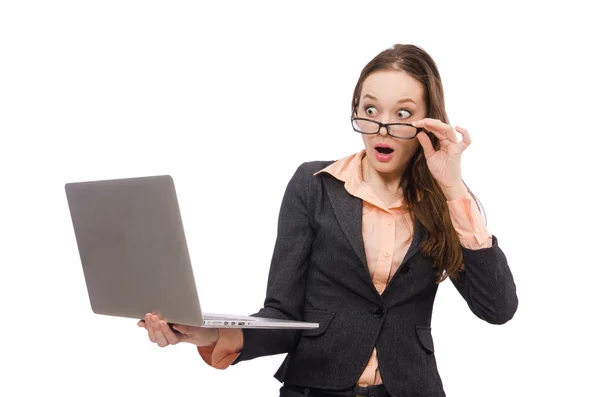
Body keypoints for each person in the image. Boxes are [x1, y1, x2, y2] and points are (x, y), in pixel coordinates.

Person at [137, 44, 518, 397]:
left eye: (402, 114)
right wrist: (206, 333)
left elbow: (497, 309)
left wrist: (452, 187)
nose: (382, 127)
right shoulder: (313, 186)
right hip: (315, 389)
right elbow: (283, 317)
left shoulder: (444, 204)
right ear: (355, 109)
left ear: (427, 123)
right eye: (370, 110)